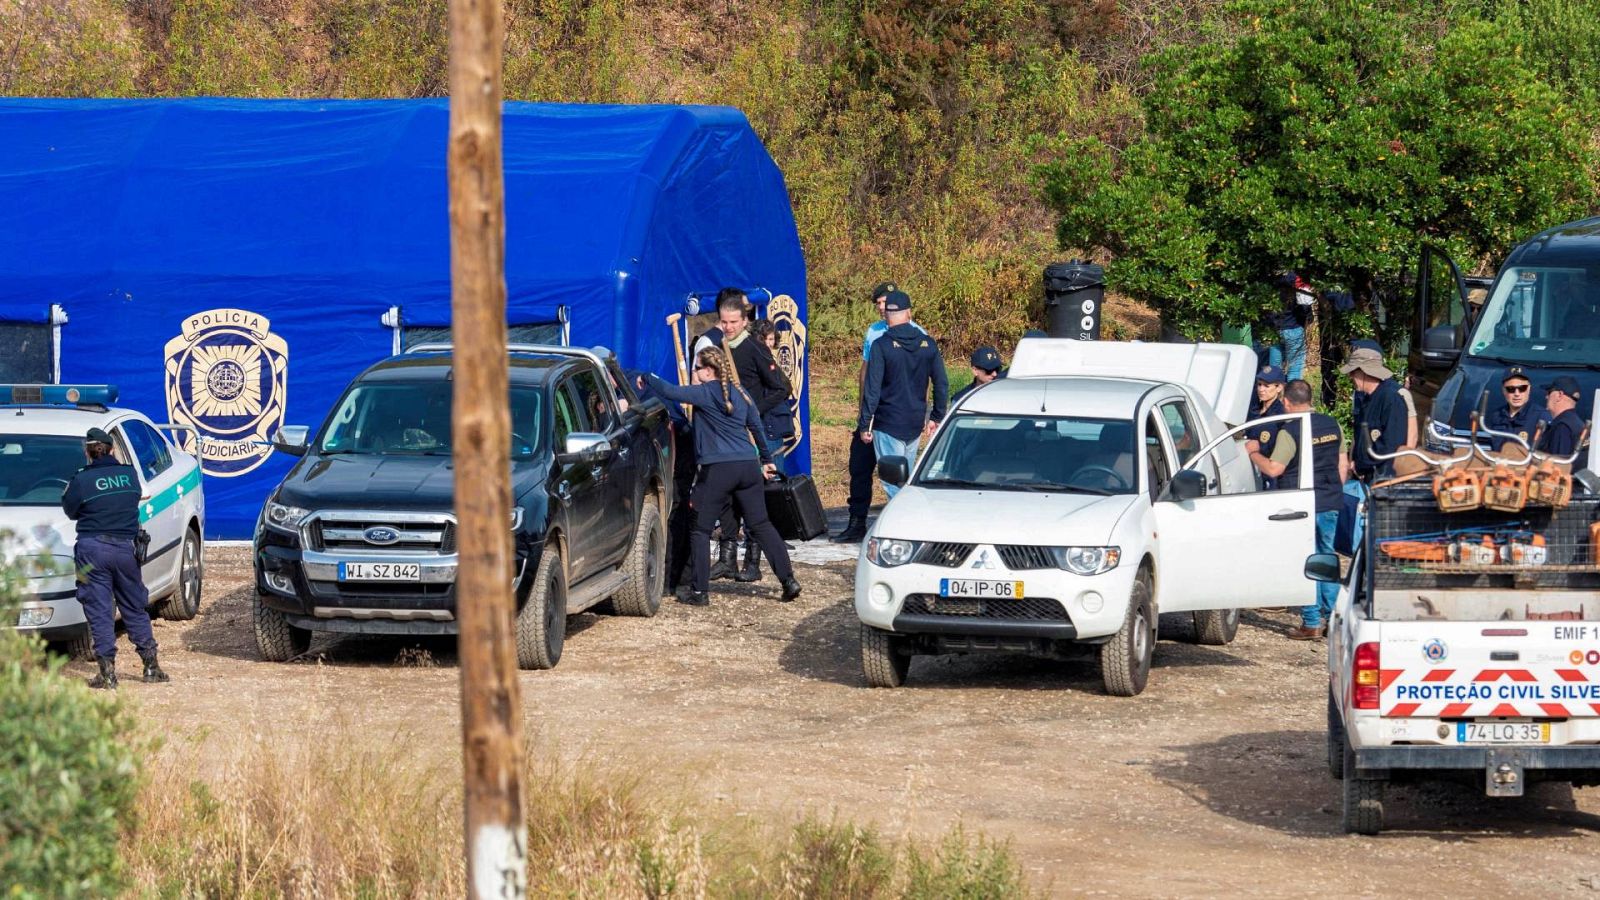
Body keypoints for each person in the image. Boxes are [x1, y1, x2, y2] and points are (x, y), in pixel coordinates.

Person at [638, 347, 802, 607]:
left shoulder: (704, 393)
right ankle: (789, 581)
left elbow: (669, 391)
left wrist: (646, 376)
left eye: (697, 368)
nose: (694, 372)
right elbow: (756, 427)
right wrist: (767, 461)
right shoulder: (741, 393)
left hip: (718, 469)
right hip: (748, 466)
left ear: (709, 371)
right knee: (761, 525)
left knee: (700, 529)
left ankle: (700, 592)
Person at [60, 427, 169, 689]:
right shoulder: (129, 475)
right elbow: (137, 498)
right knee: (134, 606)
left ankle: (107, 673)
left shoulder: (81, 480)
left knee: (99, 610)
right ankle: (150, 665)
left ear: (88, 452)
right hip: (125, 549)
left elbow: (70, 510)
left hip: (92, 550)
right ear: (111, 449)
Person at [708, 290, 793, 582]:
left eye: (734, 321)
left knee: (755, 498)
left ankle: (753, 563)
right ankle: (727, 559)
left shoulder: (755, 349)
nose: (729, 327)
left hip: (755, 433)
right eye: (724, 321)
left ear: (744, 321)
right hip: (730, 434)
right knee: (728, 494)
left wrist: (753, 409)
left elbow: (782, 389)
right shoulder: (717, 347)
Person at [1253, 381, 1346, 640]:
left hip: (1302, 505)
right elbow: (1342, 464)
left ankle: (1312, 621)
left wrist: (1253, 454)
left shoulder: (1290, 430)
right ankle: (1335, 618)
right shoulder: (1331, 423)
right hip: (1329, 501)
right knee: (1327, 558)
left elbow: (1274, 469)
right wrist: (1332, 492)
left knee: (1306, 562)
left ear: (1286, 402)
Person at [832, 280, 921, 544]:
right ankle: (856, 521)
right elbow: (865, 372)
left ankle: (903, 527)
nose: (882, 308)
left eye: (886, 303)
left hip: (896, 415)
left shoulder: (915, 333)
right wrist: (862, 414)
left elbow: (920, 379)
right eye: (879, 303)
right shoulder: (873, 331)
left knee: (896, 473)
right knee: (859, 467)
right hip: (871, 414)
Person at [858, 290, 948, 499]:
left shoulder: (881, 345)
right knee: (906, 481)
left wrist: (865, 424)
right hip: (915, 422)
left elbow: (872, 388)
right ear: (908, 313)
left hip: (888, 423)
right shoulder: (928, 343)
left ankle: (899, 527)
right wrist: (936, 415)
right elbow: (941, 383)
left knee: (893, 484)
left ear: (887, 316)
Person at [1343, 347, 1408, 480]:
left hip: (1384, 477)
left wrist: (1362, 464)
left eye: (1353, 372)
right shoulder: (1366, 398)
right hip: (1369, 474)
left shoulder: (1391, 398)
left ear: (1363, 372)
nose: (1350, 377)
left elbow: (1391, 444)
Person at [749, 319, 796, 474]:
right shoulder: (753, 362)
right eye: (764, 339)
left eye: (770, 339)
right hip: (762, 426)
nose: (768, 343)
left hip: (772, 427)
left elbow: (784, 388)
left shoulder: (770, 363)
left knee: (774, 477)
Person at [1485, 367, 1549, 452]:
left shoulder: (1542, 417)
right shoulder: (1497, 416)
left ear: (1529, 389)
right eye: (1511, 389)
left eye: (1522, 388)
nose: (1517, 394)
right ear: (1503, 391)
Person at [1244, 366, 1288, 487]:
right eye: (1259, 385)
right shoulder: (1254, 410)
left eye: (1267, 386)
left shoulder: (1280, 417)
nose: (1261, 389)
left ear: (1279, 387)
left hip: (1269, 476)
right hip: (1250, 471)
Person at [1265, 271, 1312, 380]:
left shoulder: (1270, 279)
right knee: (1294, 370)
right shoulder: (1297, 280)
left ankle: (1274, 396)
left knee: (1274, 371)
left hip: (1274, 331)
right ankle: (1291, 396)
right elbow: (1305, 307)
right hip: (1294, 329)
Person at [1536, 375, 1587, 457]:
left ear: (1559, 395)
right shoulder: (1578, 423)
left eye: (1549, 393)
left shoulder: (1562, 427)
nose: (1546, 397)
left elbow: (1558, 465)